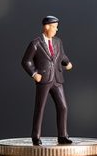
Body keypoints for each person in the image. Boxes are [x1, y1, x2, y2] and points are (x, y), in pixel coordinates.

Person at [21, 15, 73, 146]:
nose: (57, 30)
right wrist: (34, 74)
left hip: (57, 79)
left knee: (63, 107)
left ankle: (62, 135)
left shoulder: (58, 42)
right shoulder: (36, 43)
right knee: (40, 108)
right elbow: (26, 61)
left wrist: (67, 63)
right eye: (55, 27)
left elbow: (61, 55)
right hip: (43, 79)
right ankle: (36, 136)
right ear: (46, 27)